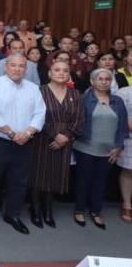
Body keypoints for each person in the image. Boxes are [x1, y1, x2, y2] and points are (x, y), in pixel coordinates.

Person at [0, 53, 46, 235]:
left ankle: (12, 215)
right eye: (13, 65)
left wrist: (28, 132)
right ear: (6, 67)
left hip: (25, 143)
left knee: (19, 182)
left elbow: (40, 113)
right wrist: (12, 133)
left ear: (26, 69)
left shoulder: (33, 88)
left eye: (21, 66)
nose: (17, 69)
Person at [28, 60, 83, 229]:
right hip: (42, 139)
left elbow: (80, 119)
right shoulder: (39, 91)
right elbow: (33, 116)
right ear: (50, 73)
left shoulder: (75, 94)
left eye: (65, 70)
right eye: (57, 70)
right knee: (39, 175)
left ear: (69, 75)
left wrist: (65, 136)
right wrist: (54, 135)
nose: (61, 73)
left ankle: (48, 210)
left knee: (55, 176)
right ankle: (35, 210)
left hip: (65, 142)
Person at [72, 68, 127, 229]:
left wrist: (119, 146)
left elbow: (122, 126)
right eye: (100, 79)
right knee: (83, 180)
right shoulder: (83, 99)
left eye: (107, 79)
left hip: (109, 150)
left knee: (100, 182)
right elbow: (76, 123)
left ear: (111, 82)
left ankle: (96, 211)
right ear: (92, 81)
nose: (103, 82)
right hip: (85, 147)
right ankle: (79, 210)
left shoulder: (118, 101)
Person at [116, 85, 132, 223]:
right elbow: (121, 117)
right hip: (130, 137)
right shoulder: (124, 92)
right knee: (129, 171)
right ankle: (127, 204)